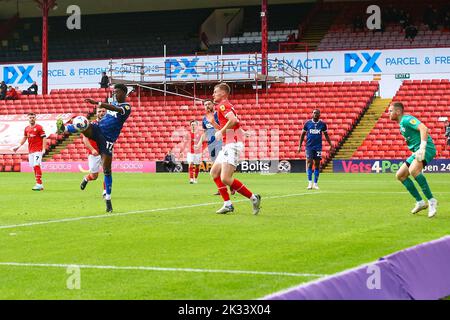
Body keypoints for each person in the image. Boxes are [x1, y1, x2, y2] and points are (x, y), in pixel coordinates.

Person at [57, 83, 131, 213]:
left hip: (107, 140)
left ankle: (108, 199)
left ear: (124, 93)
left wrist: (98, 103)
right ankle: (64, 129)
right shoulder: (112, 105)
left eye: (117, 91)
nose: (115, 94)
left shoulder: (126, 107)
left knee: (107, 170)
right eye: (114, 92)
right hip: (98, 130)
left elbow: (117, 110)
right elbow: (110, 110)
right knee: (84, 123)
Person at [209, 82, 261, 214]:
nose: (213, 94)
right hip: (229, 143)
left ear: (223, 93)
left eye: (215, 92)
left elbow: (233, 121)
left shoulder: (222, 105)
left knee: (225, 178)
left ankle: (253, 198)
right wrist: (241, 131)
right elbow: (234, 122)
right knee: (214, 173)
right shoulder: (226, 105)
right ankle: (227, 204)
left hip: (232, 144)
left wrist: (221, 132)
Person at [388, 102, 438, 218]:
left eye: (390, 111)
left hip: (426, 148)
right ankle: (420, 202)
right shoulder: (401, 125)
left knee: (413, 170)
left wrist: (422, 147)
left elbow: (424, 129)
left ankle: (431, 200)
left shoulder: (406, 119)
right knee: (400, 175)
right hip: (416, 151)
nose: (388, 114)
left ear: (398, 111)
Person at [297, 109, 333, 190]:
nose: (315, 114)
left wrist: (330, 144)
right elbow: (302, 135)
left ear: (319, 114)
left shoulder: (322, 124)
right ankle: (309, 183)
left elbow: (326, 135)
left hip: (318, 147)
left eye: (317, 113)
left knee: (317, 164)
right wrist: (299, 146)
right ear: (312, 114)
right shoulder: (308, 123)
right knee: (309, 163)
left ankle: (315, 183)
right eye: (314, 113)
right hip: (309, 147)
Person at [12, 112, 47, 191]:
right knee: (34, 166)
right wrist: (18, 146)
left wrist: (44, 148)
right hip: (31, 151)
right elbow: (25, 137)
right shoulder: (27, 128)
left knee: (36, 164)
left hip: (38, 150)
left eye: (33, 117)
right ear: (28, 118)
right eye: (30, 117)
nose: (32, 119)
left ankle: (39, 184)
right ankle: (38, 184)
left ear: (35, 118)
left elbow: (44, 138)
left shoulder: (39, 127)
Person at [80, 107, 107, 195]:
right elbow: (85, 139)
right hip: (94, 154)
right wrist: (92, 149)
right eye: (99, 111)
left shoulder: (110, 124)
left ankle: (105, 191)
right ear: (96, 113)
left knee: (107, 172)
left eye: (103, 111)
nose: (102, 113)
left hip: (105, 152)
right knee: (94, 176)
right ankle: (86, 178)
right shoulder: (90, 125)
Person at [185, 120, 202, 184]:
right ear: (190, 126)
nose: (193, 126)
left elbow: (204, 142)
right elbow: (185, 142)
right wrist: (182, 151)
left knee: (197, 166)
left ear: (197, 126)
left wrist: (199, 146)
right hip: (190, 152)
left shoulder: (200, 134)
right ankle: (191, 179)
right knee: (191, 164)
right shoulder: (188, 134)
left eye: (194, 124)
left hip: (198, 152)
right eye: (192, 124)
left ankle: (195, 178)